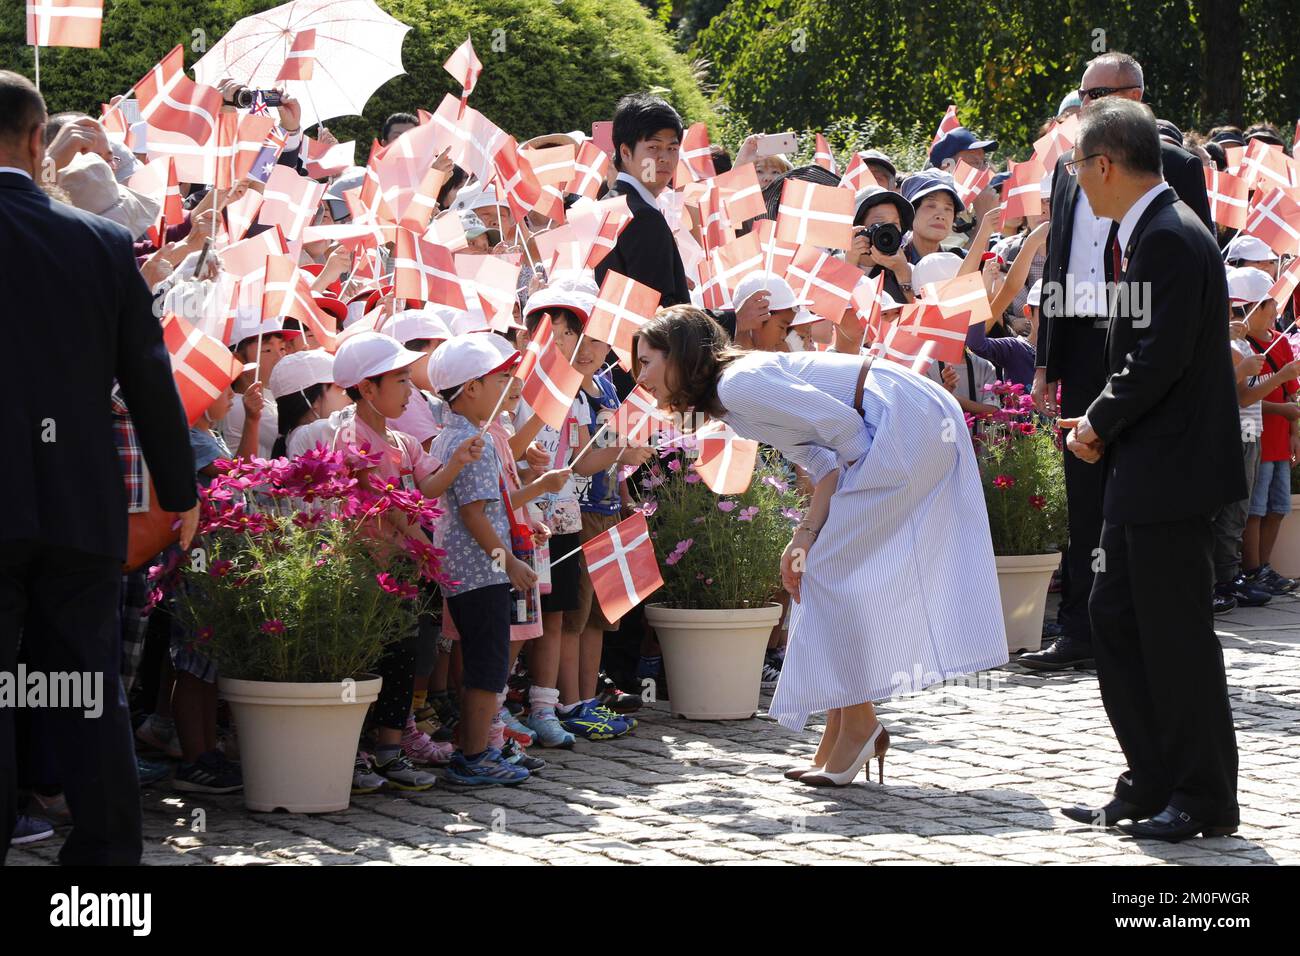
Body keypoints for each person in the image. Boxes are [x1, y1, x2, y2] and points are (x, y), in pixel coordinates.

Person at [635, 306, 1008, 786]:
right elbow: (823, 462)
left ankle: (858, 726)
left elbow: (846, 433)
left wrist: (821, 537)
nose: (640, 377)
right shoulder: (730, 398)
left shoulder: (737, 384)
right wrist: (805, 536)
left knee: (829, 576)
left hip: (907, 418)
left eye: (646, 361)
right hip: (903, 416)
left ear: (680, 355)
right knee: (822, 574)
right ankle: (843, 728)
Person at [1, 71, 199, 865]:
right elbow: (151, 379)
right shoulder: (101, 241)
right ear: (36, 140)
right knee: (85, 691)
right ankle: (105, 878)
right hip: (79, 507)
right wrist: (181, 492)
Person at [1061, 97, 1243, 841]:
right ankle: (1151, 780)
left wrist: (1101, 420)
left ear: (1104, 165)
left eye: (1078, 165)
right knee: (1119, 621)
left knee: (1173, 637)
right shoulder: (1155, 231)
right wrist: (1105, 419)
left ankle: (1201, 796)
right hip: (1150, 467)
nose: (1076, 178)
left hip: (1168, 473)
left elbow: (1158, 358)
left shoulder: (1166, 235)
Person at [1026, 50, 1213, 671]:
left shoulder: (1175, 168)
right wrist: (1047, 356)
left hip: (1138, 332)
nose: (1088, 109)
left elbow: (1189, 270)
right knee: (1083, 483)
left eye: (1102, 95)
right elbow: (1056, 262)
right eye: (1082, 97)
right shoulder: (1066, 168)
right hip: (1079, 334)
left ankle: (1136, 612)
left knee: (1133, 471)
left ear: (1137, 94)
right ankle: (1080, 624)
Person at [428, 335, 537, 785]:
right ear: (471, 388)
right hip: (481, 572)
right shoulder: (474, 440)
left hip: (466, 571)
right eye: (497, 379)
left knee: (483, 666)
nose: (505, 386)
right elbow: (474, 513)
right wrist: (508, 561)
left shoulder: (450, 436)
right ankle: (473, 758)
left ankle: (474, 751)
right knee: (487, 669)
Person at [594, 93, 689, 308]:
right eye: (653, 147)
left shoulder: (607, 205)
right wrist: (735, 319)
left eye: (672, 148)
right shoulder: (643, 216)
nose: (665, 158)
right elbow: (662, 316)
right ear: (626, 152)